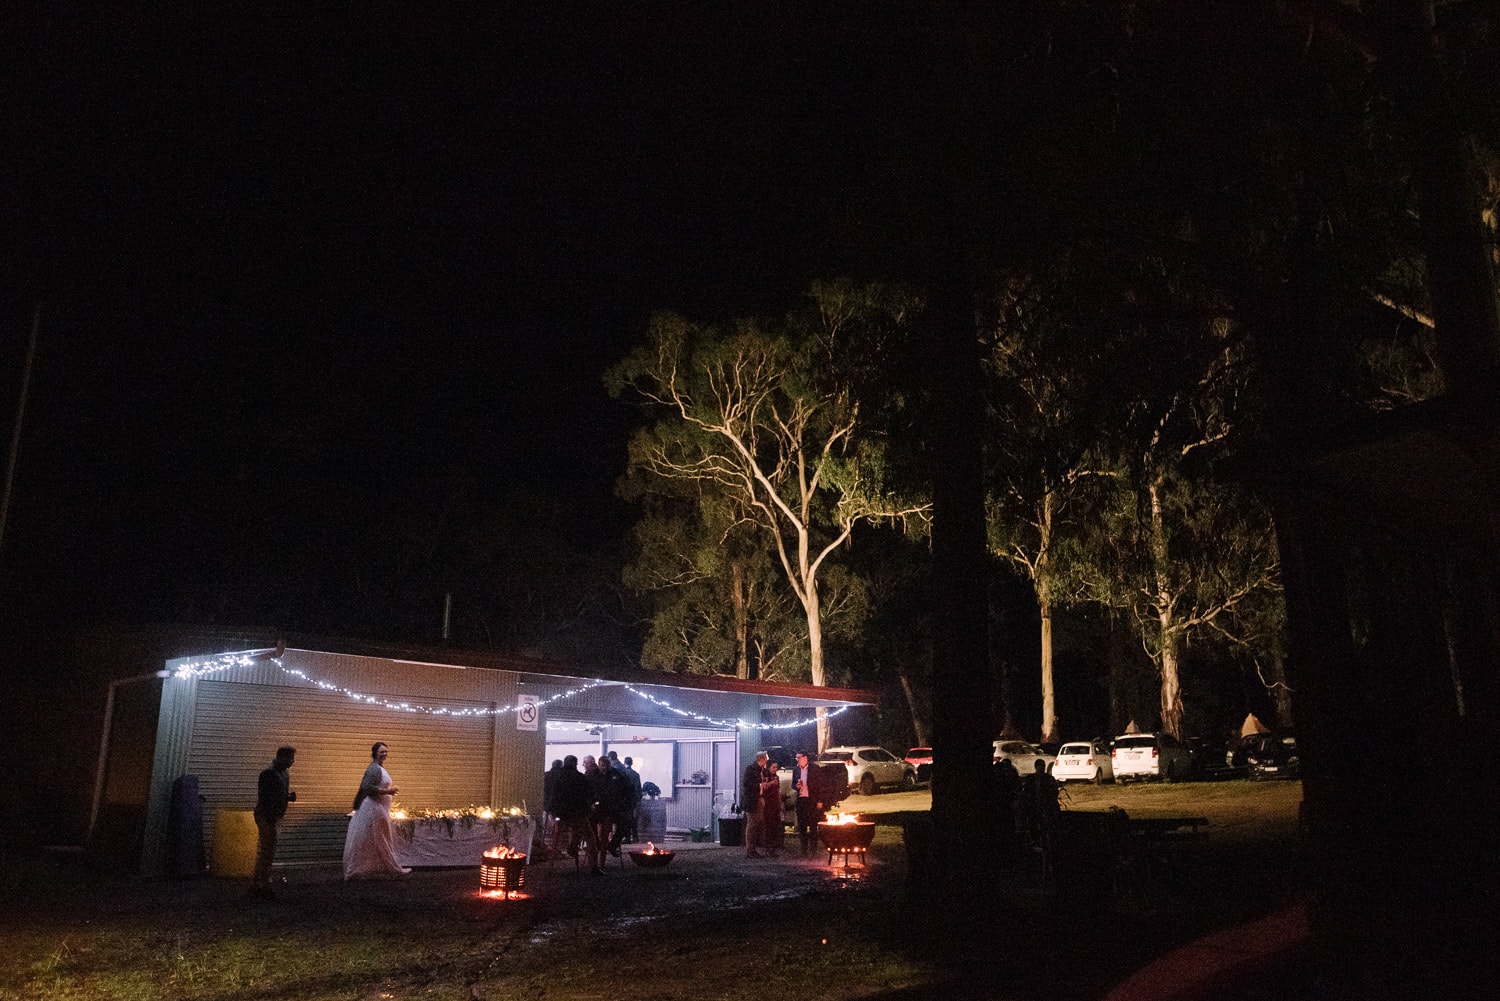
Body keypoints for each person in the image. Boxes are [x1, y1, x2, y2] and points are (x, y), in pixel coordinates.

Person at [343, 741, 411, 880]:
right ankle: (389, 867)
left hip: (378, 808)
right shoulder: (374, 769)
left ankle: (377, 866)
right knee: (381, 837)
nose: (384, 754)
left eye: (386, 752)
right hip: (374, 808)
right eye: (381, 752)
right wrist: (388, 791)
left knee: (375, 838)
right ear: (375, 753)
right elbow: (368, 788)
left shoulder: (378, 768)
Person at [251, 745, 296, 898]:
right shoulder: (269, 773)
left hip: (272, 816)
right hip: (267, 816)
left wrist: (288, 797)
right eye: (290, 758)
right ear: (282, 757)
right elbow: (264, 797)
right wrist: (270, 818)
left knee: (267, 851)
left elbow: (276, 794)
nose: (292, 762)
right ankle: (263, 885)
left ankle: (259, 883)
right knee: (267, 852)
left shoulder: (283, 773)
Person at [551, 755, 591, 859]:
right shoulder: (580, 777)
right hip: (577, 813)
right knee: (588, 835)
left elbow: (554, 795)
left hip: (561, 813)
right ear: (574, 764)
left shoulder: (558, 777)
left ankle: (554, 851)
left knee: (559, 829)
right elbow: (587, 795)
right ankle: (574, 847)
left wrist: (553, 811)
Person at [791, 750, 826, 856]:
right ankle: (803, 849)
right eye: (796, 758)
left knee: (812, 825)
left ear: (805, 758)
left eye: (799, 758)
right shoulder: (796, 770)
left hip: (812, 800)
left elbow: (820, 785)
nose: (797, 760)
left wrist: (820, 800)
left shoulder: (814, 769)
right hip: (801, 799)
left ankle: (813, 849)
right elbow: (793, 784)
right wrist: (796, 786)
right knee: (802, 825)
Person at [742, 751, 772, 858]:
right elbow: (746, 783)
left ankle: (756, 848)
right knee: (752, 825)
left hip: (760, 800)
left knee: (758, 825)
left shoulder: (763, 771)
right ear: (760, 759)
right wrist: (760, 785)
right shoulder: (750, 769)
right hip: (752, 801)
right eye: (765, 759)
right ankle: (750, 850)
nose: (766, 761)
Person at [759, 757, 783, 855]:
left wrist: (780, 803)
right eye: (773, 767)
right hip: (768, 805)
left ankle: (773, 847)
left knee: (774, 827)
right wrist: (770, 783)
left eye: (776, 767)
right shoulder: (765, 776)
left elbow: (778, 791)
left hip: (775, 805)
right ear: (769, 767)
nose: (775, 769)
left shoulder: (777, 777)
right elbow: (763, 789)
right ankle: (768, 847)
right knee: (768, 827)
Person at [619, 756, 642, 843]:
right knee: (633, 818)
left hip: (625, 799)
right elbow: (639, 788)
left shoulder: (622, 773)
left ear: (624, 762)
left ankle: (627, 837)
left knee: (626, 818)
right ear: (632, 763)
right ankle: (635, 837)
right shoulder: (636, 774)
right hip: (634, 799)